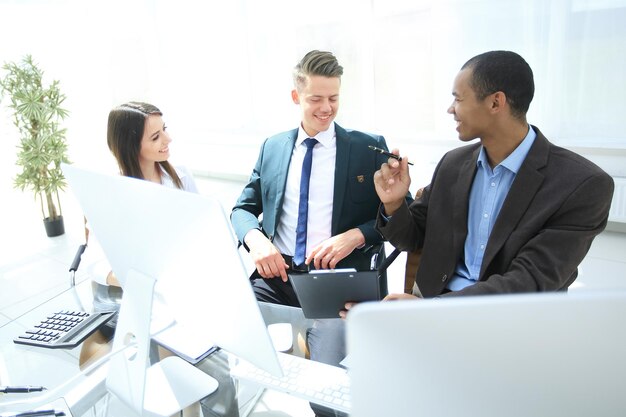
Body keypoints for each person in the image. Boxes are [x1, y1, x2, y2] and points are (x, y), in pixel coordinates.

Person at [231, 50, 410, 417]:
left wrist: (356, 236)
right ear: (296, 97)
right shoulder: (273, 147)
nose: (327, 108)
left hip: (334, 282)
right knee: (226, 337)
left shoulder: (366, 146)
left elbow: (396, 218)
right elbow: (242, 210)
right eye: (316, 99)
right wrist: (256, 240)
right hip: (277, 274)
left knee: (327, 393)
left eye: (334, 98)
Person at [356, 50, 614, 304]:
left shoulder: (582, 184)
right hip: (434, 304)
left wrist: (431, 310)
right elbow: (411, 239)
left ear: (495, 102)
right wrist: (394, 203)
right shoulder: (453, 164)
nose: (450, 109)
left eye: (458, 99)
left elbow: (529, 281)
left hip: (510, 320)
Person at [79, 102, 237, 417]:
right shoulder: (112, 194)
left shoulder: (180, 179)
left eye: (164, 129)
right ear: (130, 145)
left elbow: (207, 230)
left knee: (214, 378)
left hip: (186, 289)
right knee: (176, 367)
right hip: (146, 299)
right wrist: (127, 276)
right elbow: (94, 262)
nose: (168, 139)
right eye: (155, 136)